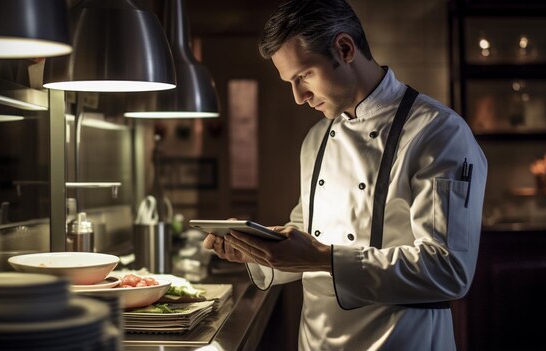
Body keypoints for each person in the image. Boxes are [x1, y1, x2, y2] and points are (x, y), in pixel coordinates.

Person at [203, 0, 487, 350]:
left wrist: (320, 257)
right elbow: (307, 235)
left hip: (400, 341)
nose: (298, 97)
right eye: (290, 82)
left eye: (304, 75)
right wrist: (255, 250)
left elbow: (448, 270)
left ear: (345, 48)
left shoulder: (438, 133)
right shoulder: (316, 139)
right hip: (316, 341)